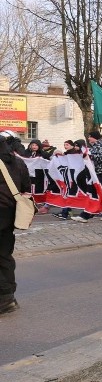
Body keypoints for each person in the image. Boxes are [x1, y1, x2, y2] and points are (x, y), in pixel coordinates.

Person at [0, 135, 31, 315]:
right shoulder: (19, 162)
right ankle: (9, 295)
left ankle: (6, 298)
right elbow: (26, 186)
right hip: (11, 214)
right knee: (4, 255)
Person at [75, 131, 102, 222]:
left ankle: (86, 215)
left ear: (94, 137)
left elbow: (100, 158)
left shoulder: (100, 146)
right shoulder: (98, 145)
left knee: (98, 194)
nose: (89, 138)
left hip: (101, 173)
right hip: (99, 173)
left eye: (90, 136)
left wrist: (89, 156)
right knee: (101, 194)